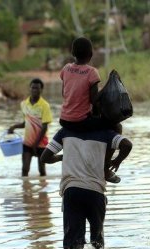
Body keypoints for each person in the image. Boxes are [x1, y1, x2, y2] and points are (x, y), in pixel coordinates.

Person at [40, 127, 132, 249]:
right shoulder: (106, 132)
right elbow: (127, 145)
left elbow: (45, 157)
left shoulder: (65, 131)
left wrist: (62, 157)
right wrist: (116, 161)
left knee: (77, 241)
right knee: (97, 236)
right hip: (95, 191)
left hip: (72, 190)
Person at [59, 37, 122, 183]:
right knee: (117, 127)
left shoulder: (66, 69)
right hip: (81, 121)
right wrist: (109, 85)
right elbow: (94, 100)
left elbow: (64, 93)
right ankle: (105, 168)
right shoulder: (92, 72)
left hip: (64, 120)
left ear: (73, 52)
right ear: (91, 54)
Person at [8, 78, 53, 177]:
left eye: (37, 88)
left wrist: (35, 144)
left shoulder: (45, 106)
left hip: (41, 143)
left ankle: (43, 191)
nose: (34, 90)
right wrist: (14, 127)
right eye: (33, 88)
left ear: (41, 90)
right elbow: (26, 123)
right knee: (25, 169)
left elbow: (44, 127)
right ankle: (25, 191)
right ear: (30, 88)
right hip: (28, 143)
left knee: (41, 170)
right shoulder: (24, 104)